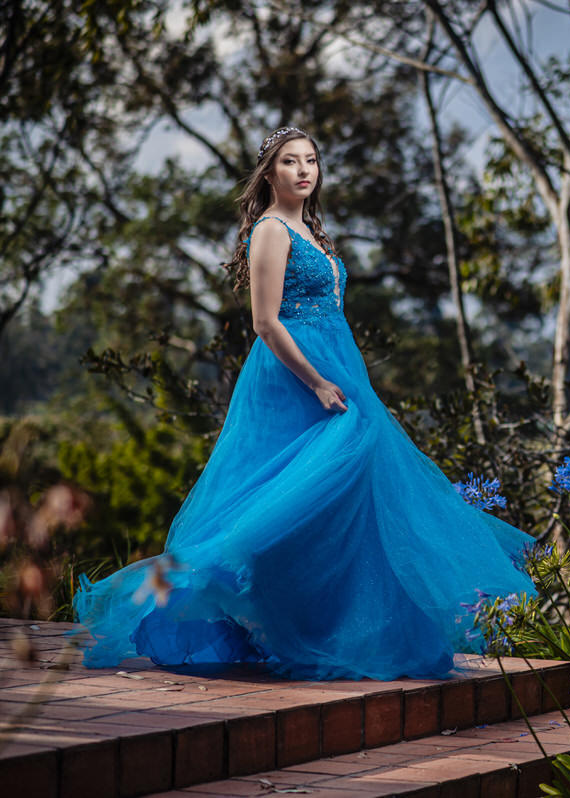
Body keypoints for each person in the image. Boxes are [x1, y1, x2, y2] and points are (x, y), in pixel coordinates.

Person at [72, 127, 536, 680]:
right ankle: (220, 583)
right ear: (270, 173)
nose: (303, 170)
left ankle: (343, 625)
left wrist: (340, 375)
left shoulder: (310, 230)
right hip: (294, 378)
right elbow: (265, 322)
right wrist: (316, 382)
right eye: (290, 162)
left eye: (310, 160)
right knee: (302, 490)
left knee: (353, 494)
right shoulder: (270, 230)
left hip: (338, 368)